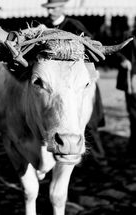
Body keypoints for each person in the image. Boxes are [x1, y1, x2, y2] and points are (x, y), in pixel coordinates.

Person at [42, 0, 106, 160]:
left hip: (77, 80)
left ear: (62, 8)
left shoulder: (73, 25)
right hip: (57, 83)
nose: (51, 12)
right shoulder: (44, 27)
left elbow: (90, 47)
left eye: (54, 8)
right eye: (49, 8)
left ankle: (99, 159)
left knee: (88, 121)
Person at [116, 29, 136, 152]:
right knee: (133, 113)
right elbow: (117, 51)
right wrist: (122, 60)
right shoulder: (127, 35)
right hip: (130, 82)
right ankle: (133, 143)